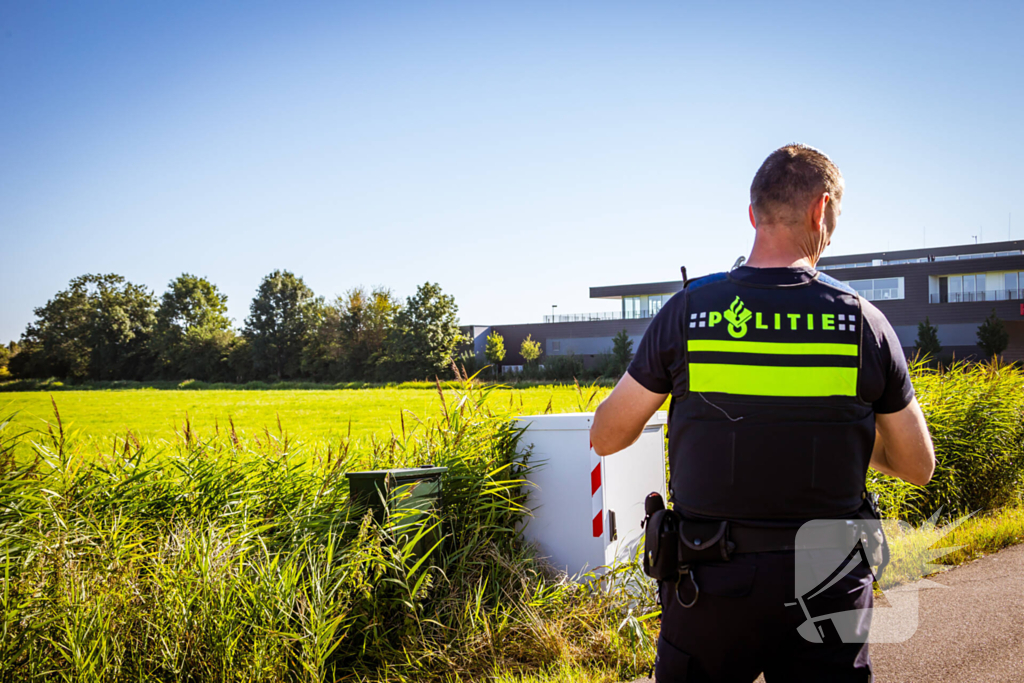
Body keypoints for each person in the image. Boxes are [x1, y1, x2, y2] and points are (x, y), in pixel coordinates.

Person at [590, 144, 935, 682]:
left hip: (710, 580)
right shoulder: (862, 324)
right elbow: (917, 465)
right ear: (821, 211)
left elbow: (607, 436)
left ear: (753, 214)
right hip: (829, 580)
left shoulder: (689, 312)